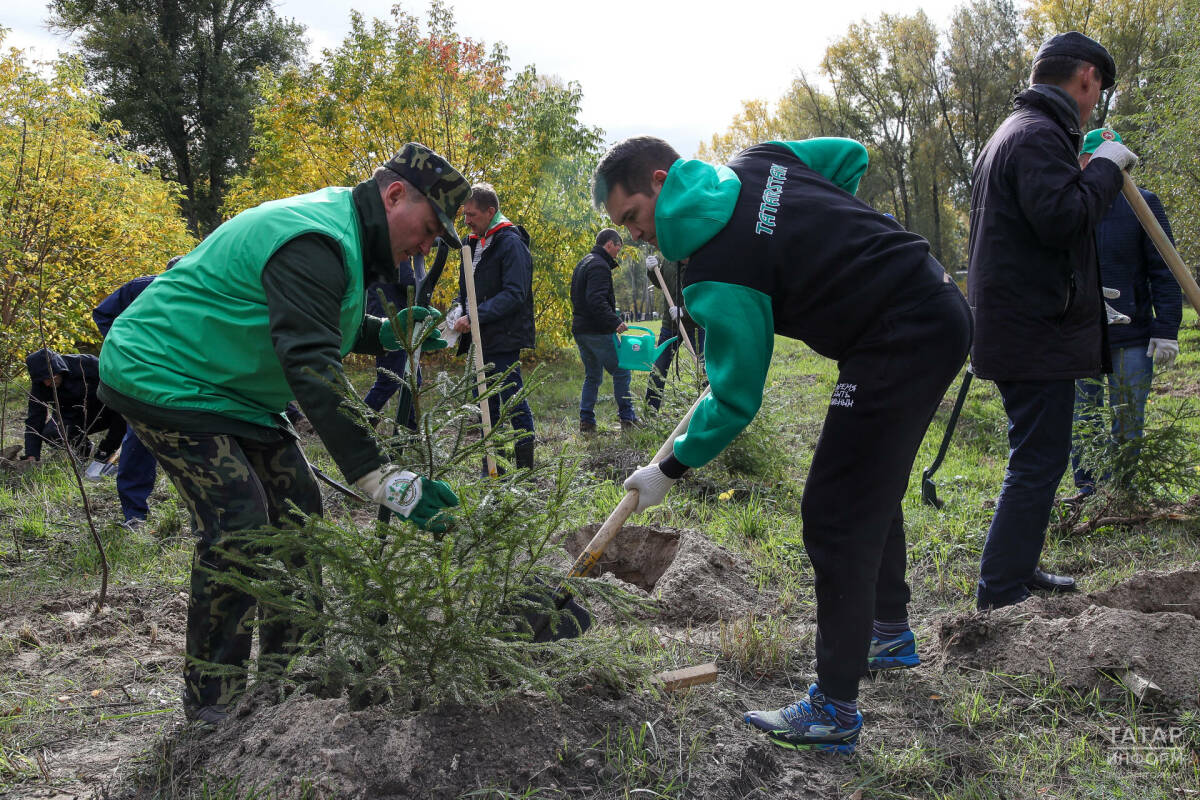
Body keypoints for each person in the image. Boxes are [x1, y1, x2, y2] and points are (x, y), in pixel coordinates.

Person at [594, 134, 971, 754]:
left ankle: (833, 707)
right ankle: (887, 631)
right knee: (867, 481)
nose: (635, 235)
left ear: (660, 183)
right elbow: (850, 155)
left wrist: (666, 469)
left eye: (632, 217)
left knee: (835, 511)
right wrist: (832, 244)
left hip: (900, 335)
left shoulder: (716, 274)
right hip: (928, 305)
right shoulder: (758, 162)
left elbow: (735, 399)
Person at [97, 143, 466, 725]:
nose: (426, 246)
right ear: (395, 195)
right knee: (240, 522)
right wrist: (379, 475)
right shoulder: (317, 239)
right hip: (165, 372)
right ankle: (212, 706)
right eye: (428, 228)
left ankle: (289, 684)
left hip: (233, 389)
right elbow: (312, 365)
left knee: (300, 512)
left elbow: (315, 320)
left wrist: (387, 333)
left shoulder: (344, 236)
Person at [968, 32, 1137, 610]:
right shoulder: (1038, 136)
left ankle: (1016, 567)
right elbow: (1065, 220)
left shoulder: (1021, 133)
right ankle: (1001, 589)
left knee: (1039, 456)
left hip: (1028, 328)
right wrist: (1107, 170)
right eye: (1098, 89)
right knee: (1038, 460)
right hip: (1034, 333)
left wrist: (1085, 165)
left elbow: (1044, 223)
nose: (1096, 102)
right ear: (1086, 77)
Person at [1069, 127, 1182, 499]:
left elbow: (1164, 270)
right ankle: (1088, 490)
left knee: (1128, 419)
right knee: (1084, 418)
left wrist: (1166, 328)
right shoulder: (1070, 208)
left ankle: (1123, 491)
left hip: (1131, 338)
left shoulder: (1143, 206)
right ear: (1085, 162)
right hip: (1080, 337)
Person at [91, 257, 183, 527]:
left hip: (188, 372)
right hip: (145, 373)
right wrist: (127, 347)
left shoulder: (207, 293)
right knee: (138, 439)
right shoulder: (140, 289)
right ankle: (135, 514)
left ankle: (210, 511)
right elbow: (103, 314)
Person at [451, 183, 536, 468]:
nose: (467, 220)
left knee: (512, 401)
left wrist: (475, 316)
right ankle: (494, 468)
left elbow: (515, 293)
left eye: (472, 214)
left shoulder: (510, 243)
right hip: (480, 338)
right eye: (465, 215)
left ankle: (525, 470)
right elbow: (467, 289)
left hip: (504, 336)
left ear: (491, 211)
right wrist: (458, 309)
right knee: (484, 404)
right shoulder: (472, 242)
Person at [570, 228, 638, 432]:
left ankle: (587, 420)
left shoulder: (584, 262)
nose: (617, 253)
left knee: (593, 375)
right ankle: (627, 418)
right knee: (621, 370)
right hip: (596, 331)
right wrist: (614, 321)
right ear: (610, 244)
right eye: (618, 248)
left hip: (581, 329)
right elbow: (596, 299)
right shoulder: (599, 266)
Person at [21, 348, 126, 465]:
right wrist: (32, 454)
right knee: (51, 432)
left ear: (58, 369)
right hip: (72, 417)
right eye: (43, 380)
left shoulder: (87, 364)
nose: (47, 383)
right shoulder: (40, 386)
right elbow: (34, 419)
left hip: (105, 412)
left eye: (50, 377)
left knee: (123, 413)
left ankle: (105, 452)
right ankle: (84, 450)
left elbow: (119, 386)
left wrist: (108, 447)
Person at [643, 253, 705, 412]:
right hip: (669, 325)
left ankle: (711, 410)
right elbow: (661, 282)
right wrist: (652, 270)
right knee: (658, 368)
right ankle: (650, 412)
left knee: (705, 369)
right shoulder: (669, 257)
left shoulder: (703, 261)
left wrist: (684, 311)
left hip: (696, 325)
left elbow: (707, 297)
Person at [362, 263, 417, 419]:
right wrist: (423, 280)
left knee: (412, 380)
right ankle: (358, 425)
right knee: (389, 380)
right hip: (394, 319)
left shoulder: (380, 246)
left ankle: (410, 431)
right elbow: (408, 283)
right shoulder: (402, 247)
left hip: (385, 314)